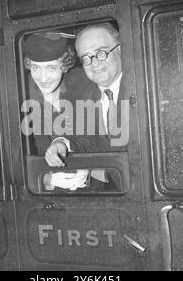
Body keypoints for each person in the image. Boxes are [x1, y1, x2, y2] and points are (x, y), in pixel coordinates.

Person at [44, 23, 131, 190]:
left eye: (101, 53)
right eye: (86, 57)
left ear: (120, 50)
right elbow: (85, 141)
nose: (94, 63)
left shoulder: (146, 88)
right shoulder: (83, 97)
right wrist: (61, 144)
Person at [22, 31, 92, 191]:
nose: (43, 78)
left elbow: (94, 138)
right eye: (35, 68)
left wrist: (89, 168)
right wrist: (47, 179)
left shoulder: (83, 84)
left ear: (65, 65)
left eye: (51, 68)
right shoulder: (20, 94)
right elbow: (11, 162)